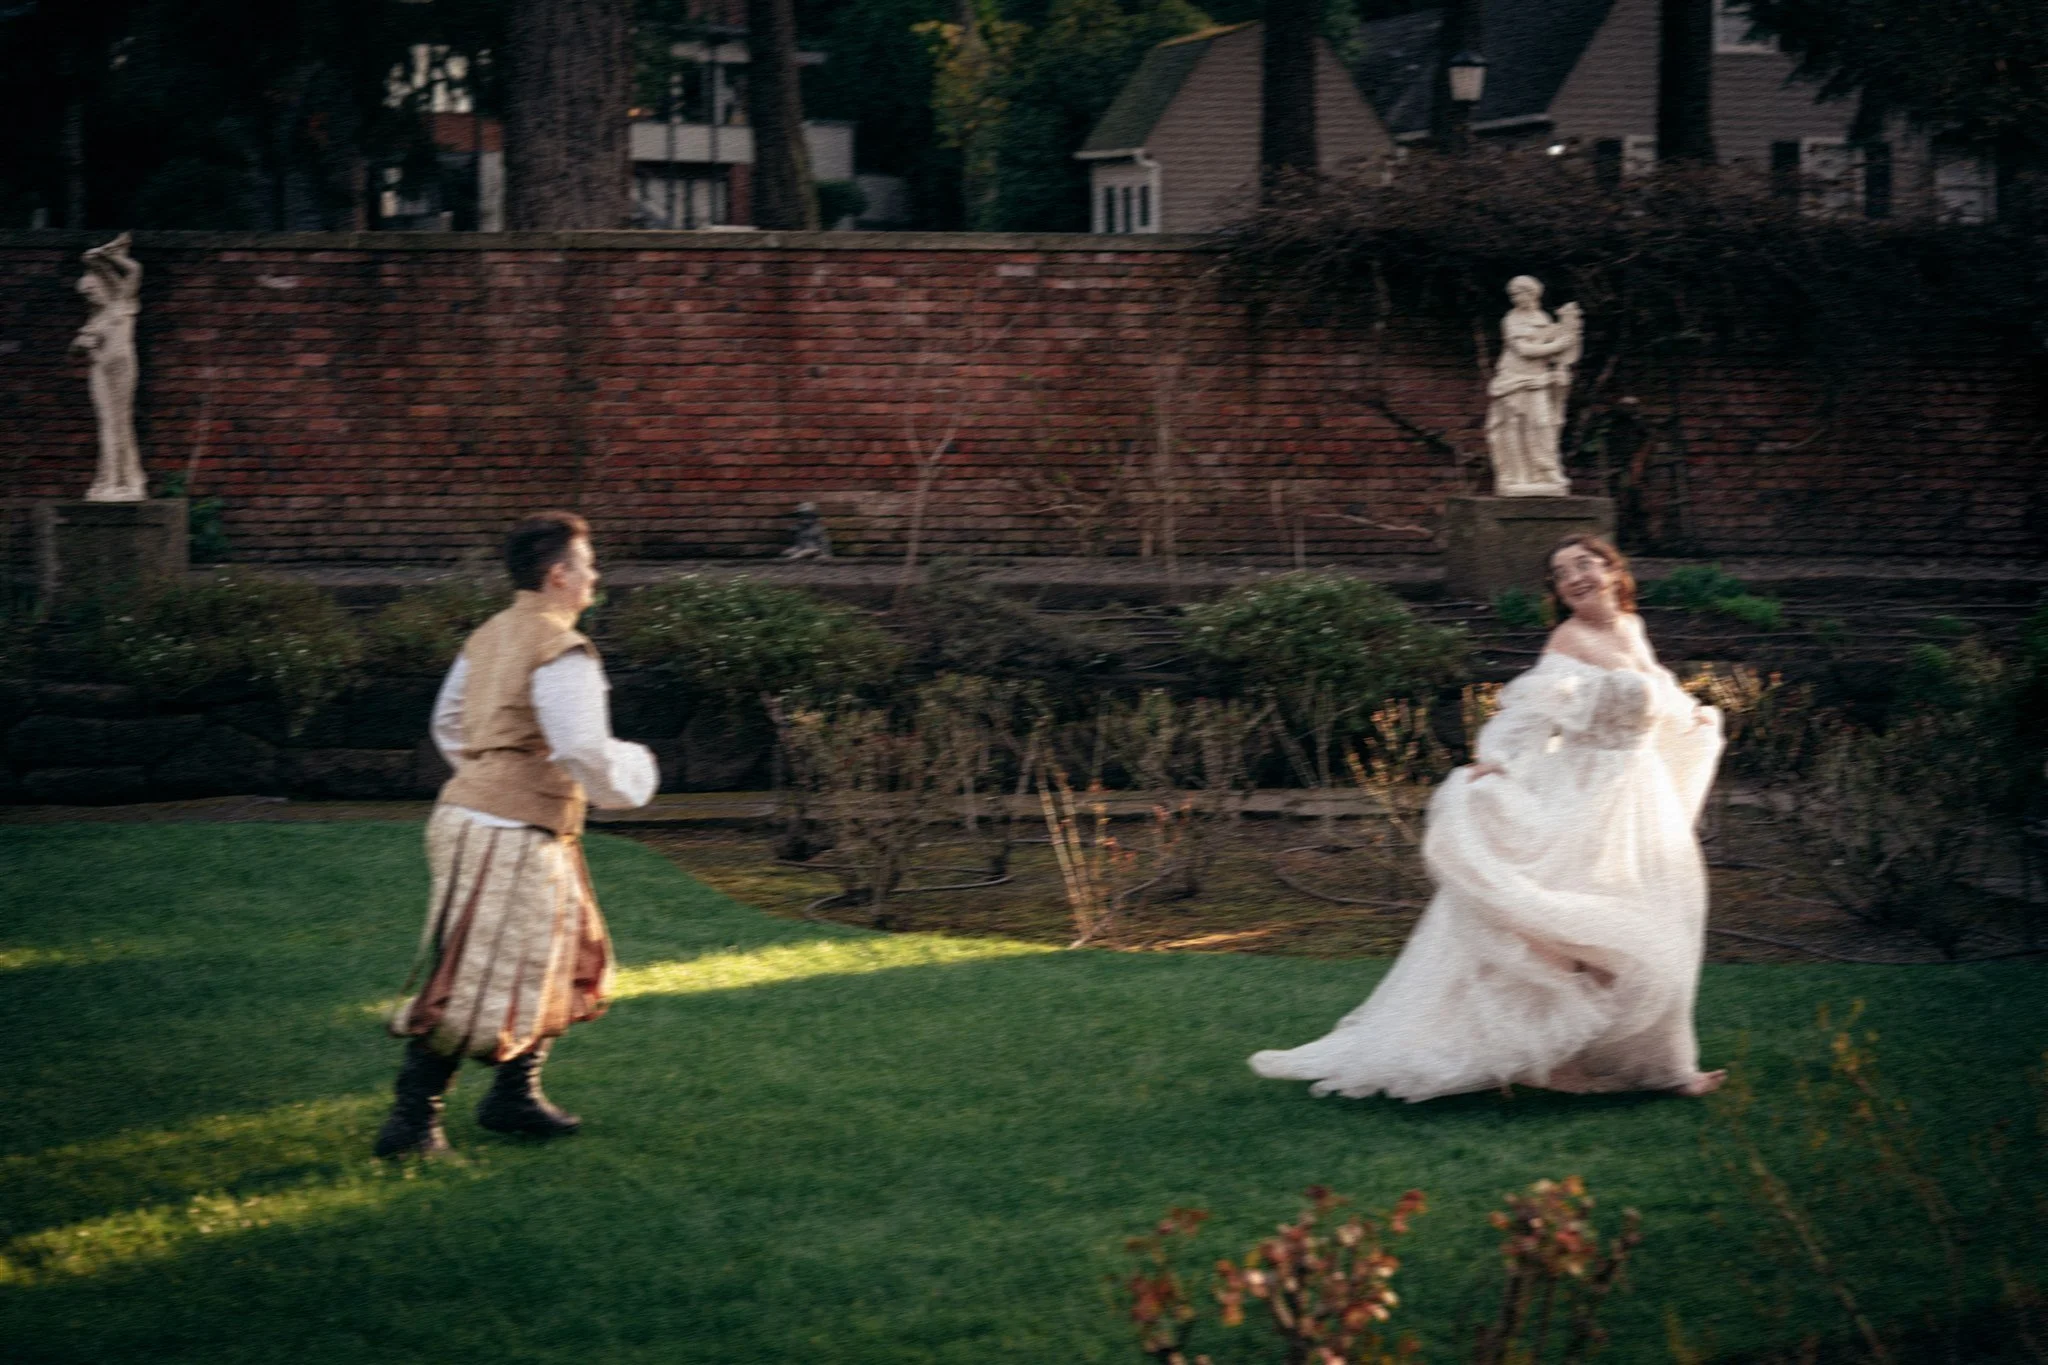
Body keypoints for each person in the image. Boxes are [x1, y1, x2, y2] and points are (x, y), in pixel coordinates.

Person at [1249, 534, 1726, 1101]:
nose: (1574, 576)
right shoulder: (1566, 641)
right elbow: (1528, 710)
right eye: (1560, 572)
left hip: (1640, 798)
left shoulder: (1631, 628)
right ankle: (1549, 1059)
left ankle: (1663, 1068)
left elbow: (1657, 692)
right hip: (1586, 796)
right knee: (1575, 931)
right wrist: (1495, 758)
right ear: (1556, 592)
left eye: (1584, 564)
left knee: (1656, 921)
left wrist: (1692, 716)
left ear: (1612, 570)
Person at [374, 511, 657, 1158]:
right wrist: (635, 777)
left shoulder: (492, 633)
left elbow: (449, 723)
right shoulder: (561, 650)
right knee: (475, 976)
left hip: (484, 820)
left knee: (556, 954)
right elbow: (584, 747)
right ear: (558, 575)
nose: (596, 576)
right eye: (588, 565)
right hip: (506, 831)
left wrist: (491, 774)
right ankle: (412, 1120)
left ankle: (514, 1093)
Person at [1484, 275, 1581, 498]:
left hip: (1538, 380)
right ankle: (1515, 476)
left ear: (1533, 293)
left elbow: (1556, 352)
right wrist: (1558, 344)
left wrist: (1563, 345)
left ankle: (1545, 471)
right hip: (1513, 378)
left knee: (1542, 424)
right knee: (1513, 425)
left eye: (1520, 293)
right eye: (1513, 295)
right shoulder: (1511, 320)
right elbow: (1524, 350)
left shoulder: (1542, 317)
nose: (1516, 299)